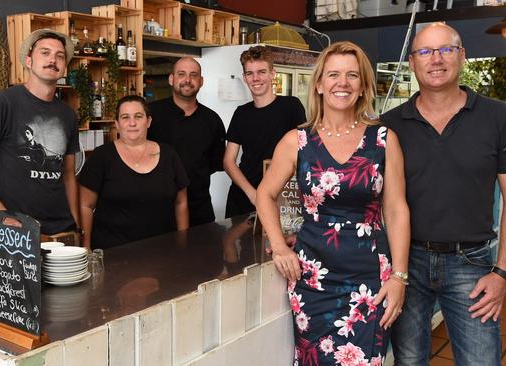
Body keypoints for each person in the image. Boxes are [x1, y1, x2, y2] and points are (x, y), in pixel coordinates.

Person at [256, 41, 410, 365]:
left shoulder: (383, 139)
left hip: (371, 279)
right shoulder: (296, 141)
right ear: (319, 84)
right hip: (313, 278)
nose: (343, 82)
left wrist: (399, 277)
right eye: (334, 74)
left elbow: (396, 210)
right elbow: (265, 194)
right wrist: (279, 246)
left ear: (363, 85)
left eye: (352, 75)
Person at [383, 22, 506, 366]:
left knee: (482, 361)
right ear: (411, 63)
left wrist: (502, 274)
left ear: (462, 56)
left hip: (472, 264)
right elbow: (368, 198)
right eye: (424, 51)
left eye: (445, 50)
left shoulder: (498, 116)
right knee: (407, 361)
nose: (435, 59)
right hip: (405, 264)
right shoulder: (388, 124)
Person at [0, 29, 81, 235]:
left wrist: (77, 226)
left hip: (62, 229)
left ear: (64, 68)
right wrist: (4, 219)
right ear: (28, 61)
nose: (53, 59)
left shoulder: (68, 115)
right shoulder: (5, 103)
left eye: (59, 56)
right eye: (44, 53)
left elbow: (68, 175)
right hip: (16, 231)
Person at [78, 95, 189, 250]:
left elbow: (181, 202)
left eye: (138, 116)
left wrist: (182, 242)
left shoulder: (169, 154)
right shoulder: (101, 156)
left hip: (163, 251)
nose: (132, 123)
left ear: (148, 121)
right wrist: (85, 247)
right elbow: (85, 205)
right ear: (117, 123)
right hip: (113, 254)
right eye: (125, 117)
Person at [224, 45, 306, 218]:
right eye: (250, 73)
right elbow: (228, 161)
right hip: (244, 197)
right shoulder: (241, 113)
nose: (256, 78)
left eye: (261, 72)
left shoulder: (291, 106)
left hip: (282, 197)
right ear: (244, 78)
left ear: (272, 73)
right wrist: (253, 194)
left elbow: (305, 152)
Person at [149, 57, 226, 226]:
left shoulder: (212, 120)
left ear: (201, 81)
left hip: (200, 210)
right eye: (181, 74)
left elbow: (214, 164)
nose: (187, 80)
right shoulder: (151, 115)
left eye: (193, 75)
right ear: (171, 79)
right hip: (157, 211)